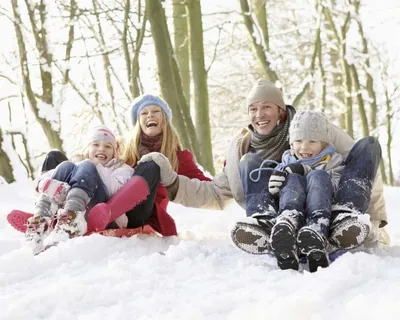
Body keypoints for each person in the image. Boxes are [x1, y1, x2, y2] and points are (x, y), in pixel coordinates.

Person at [138, 79, 389, 257]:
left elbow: (362, 169)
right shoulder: (240, 149)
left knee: (367, 145)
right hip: (282, 216)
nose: (260, 114)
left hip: (325, 206)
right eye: (253, 109)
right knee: (251, 162)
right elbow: (214, 194)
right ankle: (266, 224)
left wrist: (374, 220)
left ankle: (345, 219)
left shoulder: (312, 129)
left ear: (280, 111)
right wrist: (171, 179)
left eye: (267, 106)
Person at [242, 110, 344, 272]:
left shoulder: (333, 161)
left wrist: (307, 170)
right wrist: (275, 186)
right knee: (293, 179)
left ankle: (315, 235)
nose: (304, 147)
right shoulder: (285, 163)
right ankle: (286, 231)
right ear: (291, 143)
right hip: (292, 212)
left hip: (319, 215)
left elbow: (337, 187)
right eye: (298, 140)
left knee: (318, 176)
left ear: (324, 143)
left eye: (312, 141)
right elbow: (276, 193)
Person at [23, 125, 137, 254]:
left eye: (108, 146)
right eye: (96, 144)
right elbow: (42, 181)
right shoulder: (76, 165)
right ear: (88, 148)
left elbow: (116, 191)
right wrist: (43, 183)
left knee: (86, 166)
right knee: (65, 166)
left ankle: (71, 222)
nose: (101, 149)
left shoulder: (121, 168)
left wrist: (94, 166)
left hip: (102, 209)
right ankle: (40, 223)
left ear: (114, 152)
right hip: (69, 207)